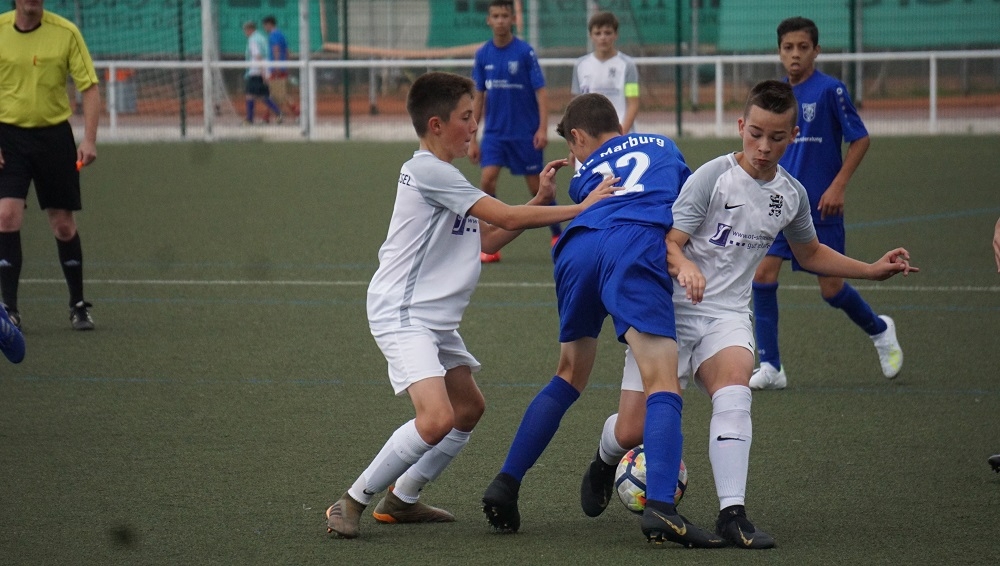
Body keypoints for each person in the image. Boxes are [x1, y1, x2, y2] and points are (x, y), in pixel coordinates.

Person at [577, 80, 919, 549]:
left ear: (793, 136)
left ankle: (732, 514)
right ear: (741, 126)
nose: (763, 147)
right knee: (631, 428)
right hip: (668, 311)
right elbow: (669, 242)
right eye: (755, 134)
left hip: (727, 315)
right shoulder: (711, 177)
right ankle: (603, 459)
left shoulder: (791, 194)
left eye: (776, 138)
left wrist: (871, 270)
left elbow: (810, 252)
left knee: (735, 392)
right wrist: (686, 266)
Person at [324, 71, 616, 540]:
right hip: (402, 312)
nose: (475, 125)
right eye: (466, 117)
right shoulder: (429, 171)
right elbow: (504, 215)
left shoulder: (444, 176)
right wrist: (583, 208)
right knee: (436, 418)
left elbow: (488, 237)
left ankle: (402, 499)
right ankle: (351, 501)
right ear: (436, 125)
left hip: (430, 319)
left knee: (467, 408)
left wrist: (540, 199)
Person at [480, 92, 726, 548]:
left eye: (571, 146)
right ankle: (662, 508)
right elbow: (689, 202)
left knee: (568, 375)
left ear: (577, 137)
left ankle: (506, 483)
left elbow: (595, 201)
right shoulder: (663, 145)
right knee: (662, 382)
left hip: (577, 247)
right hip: (633, 245)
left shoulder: (585, 173)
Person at [750, 16, 901, 390]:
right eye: (788, 48)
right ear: (779, 52)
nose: (795, 54)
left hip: (821, 206)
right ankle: (771, 366)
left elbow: (860, 138)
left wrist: (838, 186)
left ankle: (880, 329)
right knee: (762, 274)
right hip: (779, 203)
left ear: (816, 50)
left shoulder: (831, 90)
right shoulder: (778, 98)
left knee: (831, 288)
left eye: (803, 47)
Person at [0, 0, 98, 331]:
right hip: (8, 138)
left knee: (63, 225)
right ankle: (9, 309)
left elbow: (89, 88)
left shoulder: (66, 32)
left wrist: (89, 139)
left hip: (54, 138)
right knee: (6, 216)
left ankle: (78, 305)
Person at [469, 0, 558, 263]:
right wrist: (472, 138)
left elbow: (541, 93)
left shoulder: (524, 52)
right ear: (488, 20)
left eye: (504, 16)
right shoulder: (483, 55)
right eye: (495, 16)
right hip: (494, 134)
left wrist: (542, 128)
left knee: (536, 188)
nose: (500, 20)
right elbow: (478, 97)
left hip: (524, 133)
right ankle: (492, 243)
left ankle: (558, 235)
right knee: (487, 181)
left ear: (512, 19)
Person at [571, 11, 639, 135]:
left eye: (608, 33)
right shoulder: (580, 65)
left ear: (616, 35)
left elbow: (633, 103)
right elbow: (576, 104)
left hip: (621, 133)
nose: (603, 37)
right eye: (598, 33)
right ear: (591, 36)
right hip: (591, 135)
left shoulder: (627, 65)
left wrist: (621, 133)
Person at [241, 20, 282, 125]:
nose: (245, 33)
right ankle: (278, 113)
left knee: (250, 95)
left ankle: (249, 119)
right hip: (264, 69)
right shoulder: (262, 37)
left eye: (245, 30)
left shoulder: (253, 40)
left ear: (249, 30)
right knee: (264, 95)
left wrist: (263, 72)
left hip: (256, 71)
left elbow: (258, 56)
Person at [261, 15, 299, 121]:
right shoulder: (281, 34)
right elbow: (287, 52)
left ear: (269, 24)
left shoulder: (273, 35)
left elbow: (276, 50)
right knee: (274, 93)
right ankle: (268, 117)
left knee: (277, 94)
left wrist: (276, 66)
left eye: (265, 26)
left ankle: (297, 113)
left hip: (276, 69)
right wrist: (286, 65)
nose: (265, 28)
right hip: (282, 68)